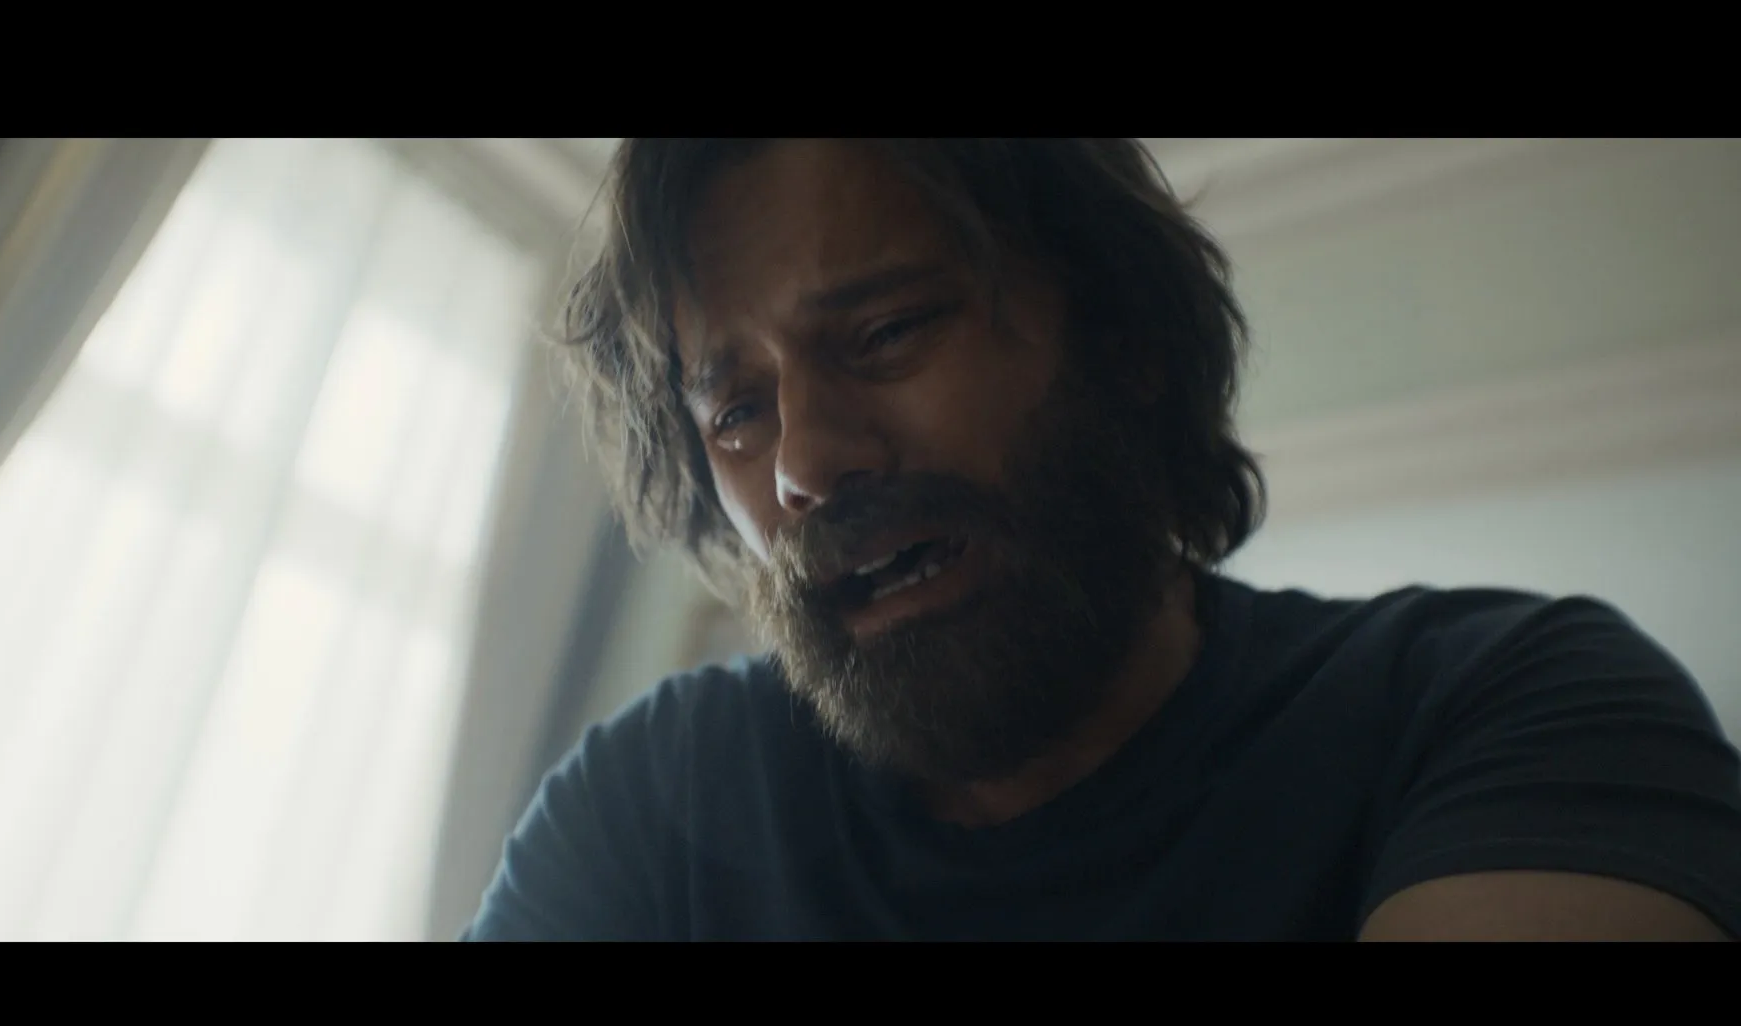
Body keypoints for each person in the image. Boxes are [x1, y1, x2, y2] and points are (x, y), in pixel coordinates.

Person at [462, 138, 1741, 941]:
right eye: (737, 411)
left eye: (889, 332)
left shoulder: (1504, 707)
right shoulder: (654, 797)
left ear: (1122, 339)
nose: (803, 465)